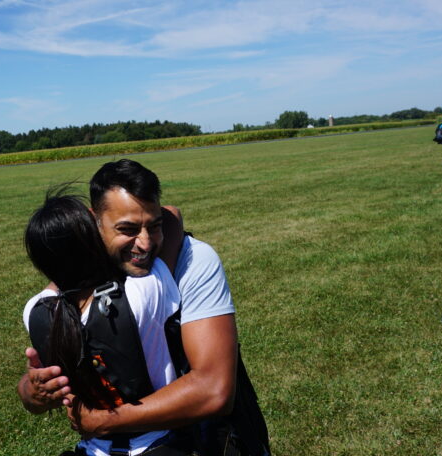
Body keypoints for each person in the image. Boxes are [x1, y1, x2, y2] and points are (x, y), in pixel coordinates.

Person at [18, 159, 270, 455]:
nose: (146, 243)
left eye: (154, 225)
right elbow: (47, 373)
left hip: (204, 441)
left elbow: (214, 390)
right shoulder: (82, 279)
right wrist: (32, 391)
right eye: (127, 228)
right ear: (94, 221)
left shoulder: (193, 261)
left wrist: (102, 421)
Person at [22, 190, 186, 456]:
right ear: (94, 242)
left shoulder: (36, 312)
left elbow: (57, 282)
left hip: (93, 448)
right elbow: (172, 217)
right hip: (159, 442)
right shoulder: (141, 292)